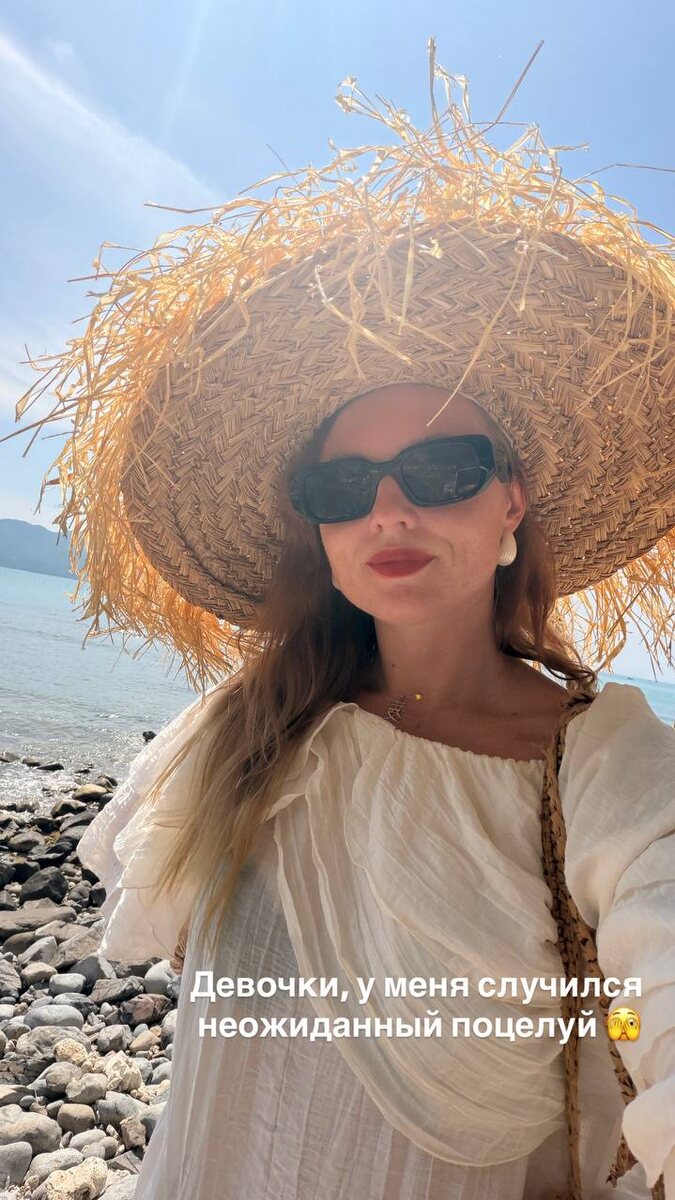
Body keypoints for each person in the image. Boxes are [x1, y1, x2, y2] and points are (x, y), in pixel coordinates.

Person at [4, 45, 675, 1200]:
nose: (390, 510)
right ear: (317, 529)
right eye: (342, 487)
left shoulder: (604, 762)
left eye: (443, 470)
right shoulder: (249, 722)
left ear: (512, 502)